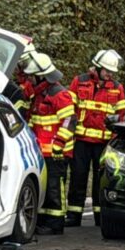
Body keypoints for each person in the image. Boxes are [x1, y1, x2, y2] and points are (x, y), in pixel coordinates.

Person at [67, 49, 125, 227]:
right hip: (80, 141)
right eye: (107, 71)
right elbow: (69, 110)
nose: (109, 75)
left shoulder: (117, 89)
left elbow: (121, 116)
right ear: (98, 67)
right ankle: (73, 215)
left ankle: (100, 217)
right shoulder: (79, 82)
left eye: (112, 72)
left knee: (101, 181)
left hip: (103, 143)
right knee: (78, 177)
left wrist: (115, 141)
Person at [25, 53, 77, 235]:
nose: (31, 79)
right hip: (41, 151)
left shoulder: (59, 94)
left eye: (33, 76)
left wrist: (59, 143)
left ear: (42, 75)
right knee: (45, 187)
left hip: (56, 152)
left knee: (55, 187)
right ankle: (44, 221)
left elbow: (70, 121)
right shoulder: (40, 95)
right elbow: (36, 121)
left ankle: (56, 223)